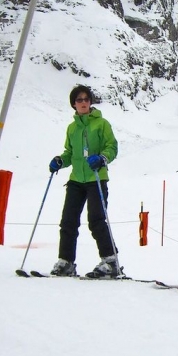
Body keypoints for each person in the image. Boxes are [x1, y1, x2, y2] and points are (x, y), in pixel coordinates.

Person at [48, 85, 121, 278]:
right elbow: (70, 153)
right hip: (76, 180)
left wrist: (102, 158)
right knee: (68, 221)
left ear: (90, 102)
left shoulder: (101, 124)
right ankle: (66, 262)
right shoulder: (72, 128)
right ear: (74, 104)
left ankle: (111, 261)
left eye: (86, 99)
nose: (83, 103)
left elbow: (112, 147)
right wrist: (60, 161)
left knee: (96, 220)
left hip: (96, 177)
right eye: (79, 100)